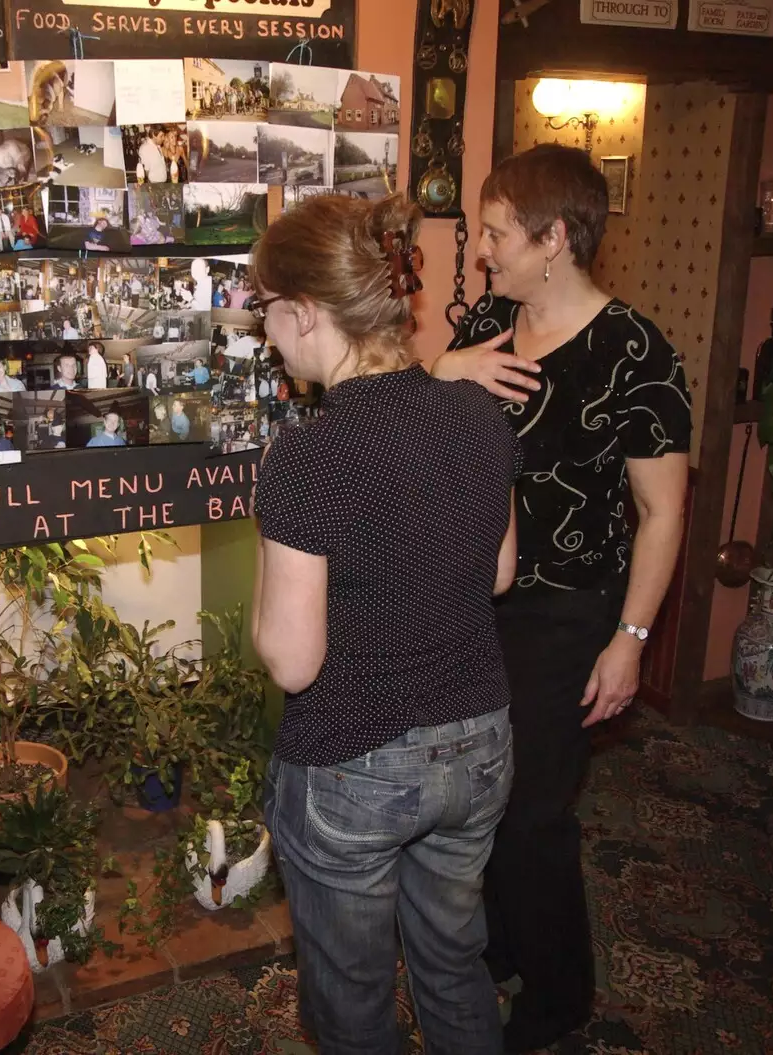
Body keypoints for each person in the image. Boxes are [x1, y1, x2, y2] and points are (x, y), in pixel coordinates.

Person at [431, 144, 692, 1052]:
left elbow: (662, 515)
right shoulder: (488, 323)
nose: (482, 251)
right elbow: (426, 428)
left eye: (496, 232)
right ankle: (502, 943)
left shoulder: (634, 352)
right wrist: (442, 372)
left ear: (554, 238)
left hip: (571, 612)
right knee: (479, 797)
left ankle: (559, 993)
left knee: (535, 809)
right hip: (477, 601)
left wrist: (631, 639)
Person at [251, 193, 519, 1055]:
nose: (264, 334)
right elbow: (502, 571)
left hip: (355, 761)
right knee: (453, 964)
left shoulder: (309, 455)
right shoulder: (480, 414)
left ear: (303, 310)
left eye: (265, 311)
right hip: (479, 742)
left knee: (354, 999)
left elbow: (292, 661)